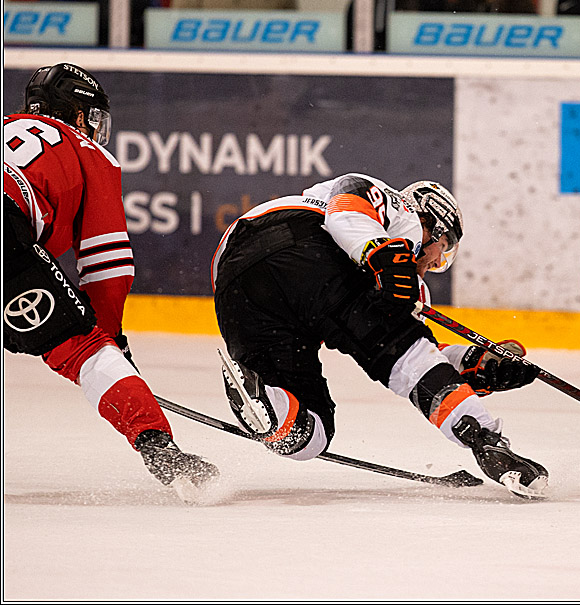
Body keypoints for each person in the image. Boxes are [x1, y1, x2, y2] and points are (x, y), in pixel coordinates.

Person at [211, 174, 548, 498]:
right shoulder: (400, 213)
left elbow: (423, 359)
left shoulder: (403, 281)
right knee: (402, 351)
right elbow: (347, 201)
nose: (435, 262)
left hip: (236, 289)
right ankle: (486, 440)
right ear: (430, 222)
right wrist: (383, 255)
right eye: (442, 247)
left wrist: (477, 365)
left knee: (307, 434)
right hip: (305, 243)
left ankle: (265, 398)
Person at [3, 63, 218, 501]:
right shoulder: (86, 151)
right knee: (82, 348)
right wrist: (110, 343)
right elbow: (107, 266)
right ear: (80, 115)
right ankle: (159, 448)